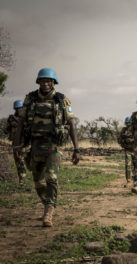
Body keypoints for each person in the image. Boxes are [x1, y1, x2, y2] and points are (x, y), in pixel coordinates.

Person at [13, 68, 80, 227]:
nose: (46, 83)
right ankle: (48, 203)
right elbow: (21, 123)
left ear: (54, 82)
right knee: (38, 182)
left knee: (51, 178)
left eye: (49, 81)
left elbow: (71, 125)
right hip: (35, 145)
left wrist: (77, 149)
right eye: (43, 80)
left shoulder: (62, 100)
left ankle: (49, 211)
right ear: (38, 82)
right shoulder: (30, 99)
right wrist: (17, 145)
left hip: (54, 146)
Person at [4, 100, 27, 185]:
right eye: (17, 108)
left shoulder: (26, 118)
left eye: (20, 108)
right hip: (15, 143)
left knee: (21, 159)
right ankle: (21, 179)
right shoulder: (11, 119)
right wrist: (10, 125)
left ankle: (22, 178)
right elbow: (6, 131)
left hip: (24, 143)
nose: (19, 110)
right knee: (17, 161)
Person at [118, 116, 134, 187]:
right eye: (127, 123)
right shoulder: (124, 130)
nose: (128, 124)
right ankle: (129, 181)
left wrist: (132, 140)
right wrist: (125, 141)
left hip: (136, 150)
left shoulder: (136, 130)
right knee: (128, 165)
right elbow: (119, 139)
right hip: (128, 150)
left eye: (129, 123)